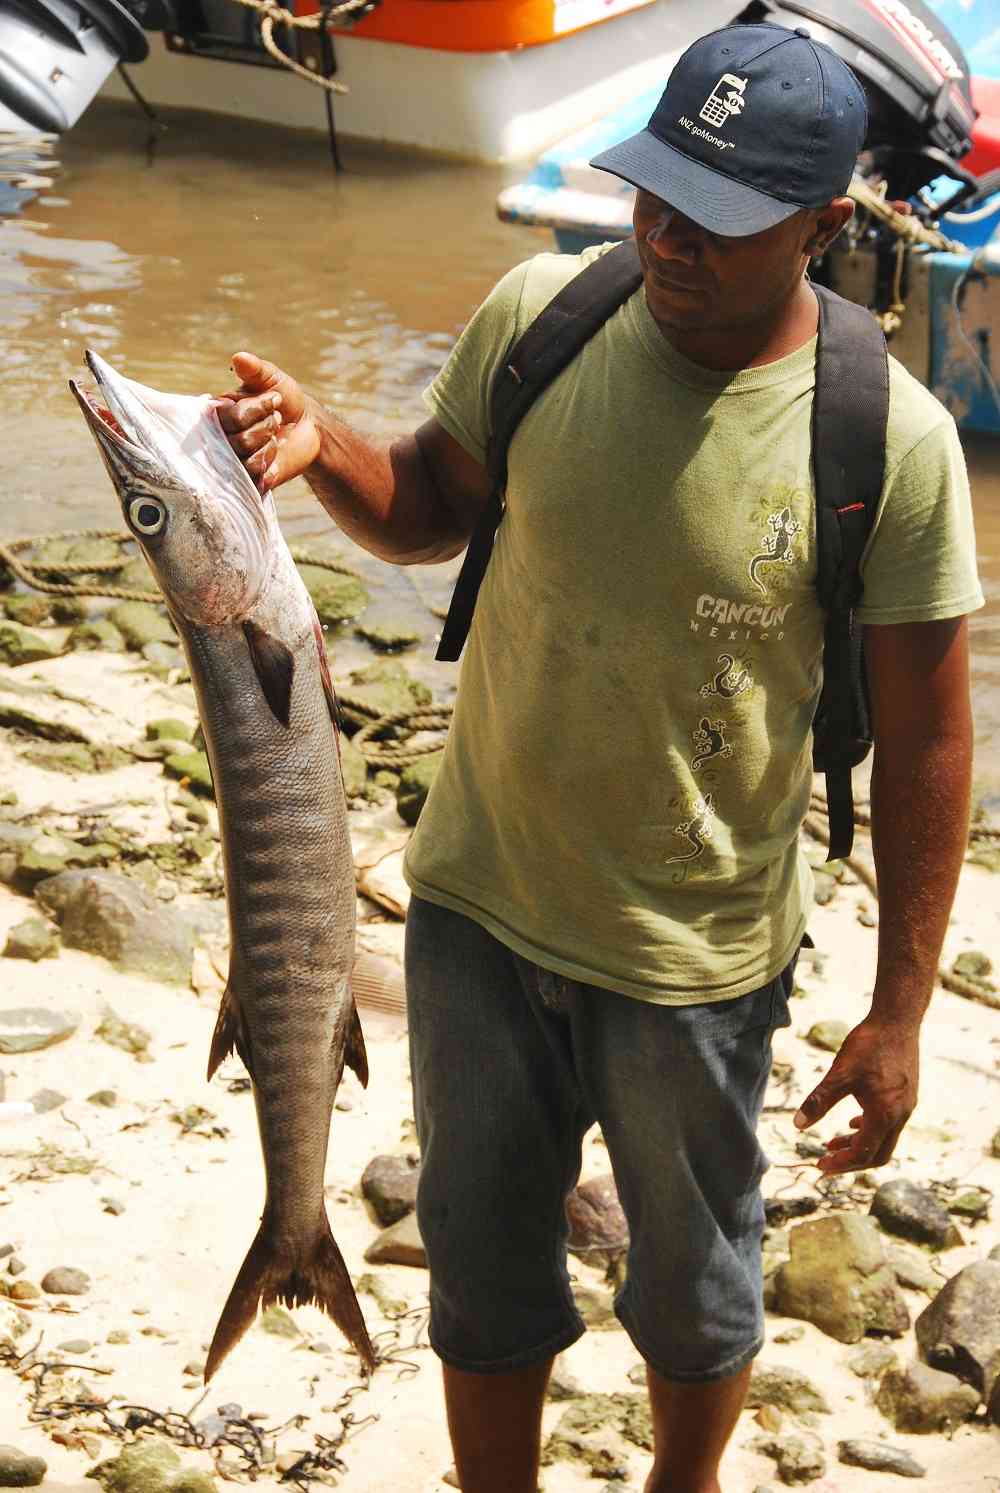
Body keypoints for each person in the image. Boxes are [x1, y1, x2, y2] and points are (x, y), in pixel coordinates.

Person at [218, 22, 982, 1493]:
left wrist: (899, 1014)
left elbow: (934, 739)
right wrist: (325, 444)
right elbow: (433, 498)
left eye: (719, 215)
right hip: (477, 917)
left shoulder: (886, 438)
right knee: (484, 1280)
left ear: (824, 225)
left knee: (697, 1300)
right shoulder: (544, 315)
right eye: (654, 189)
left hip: (694, 966)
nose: (666, 232)